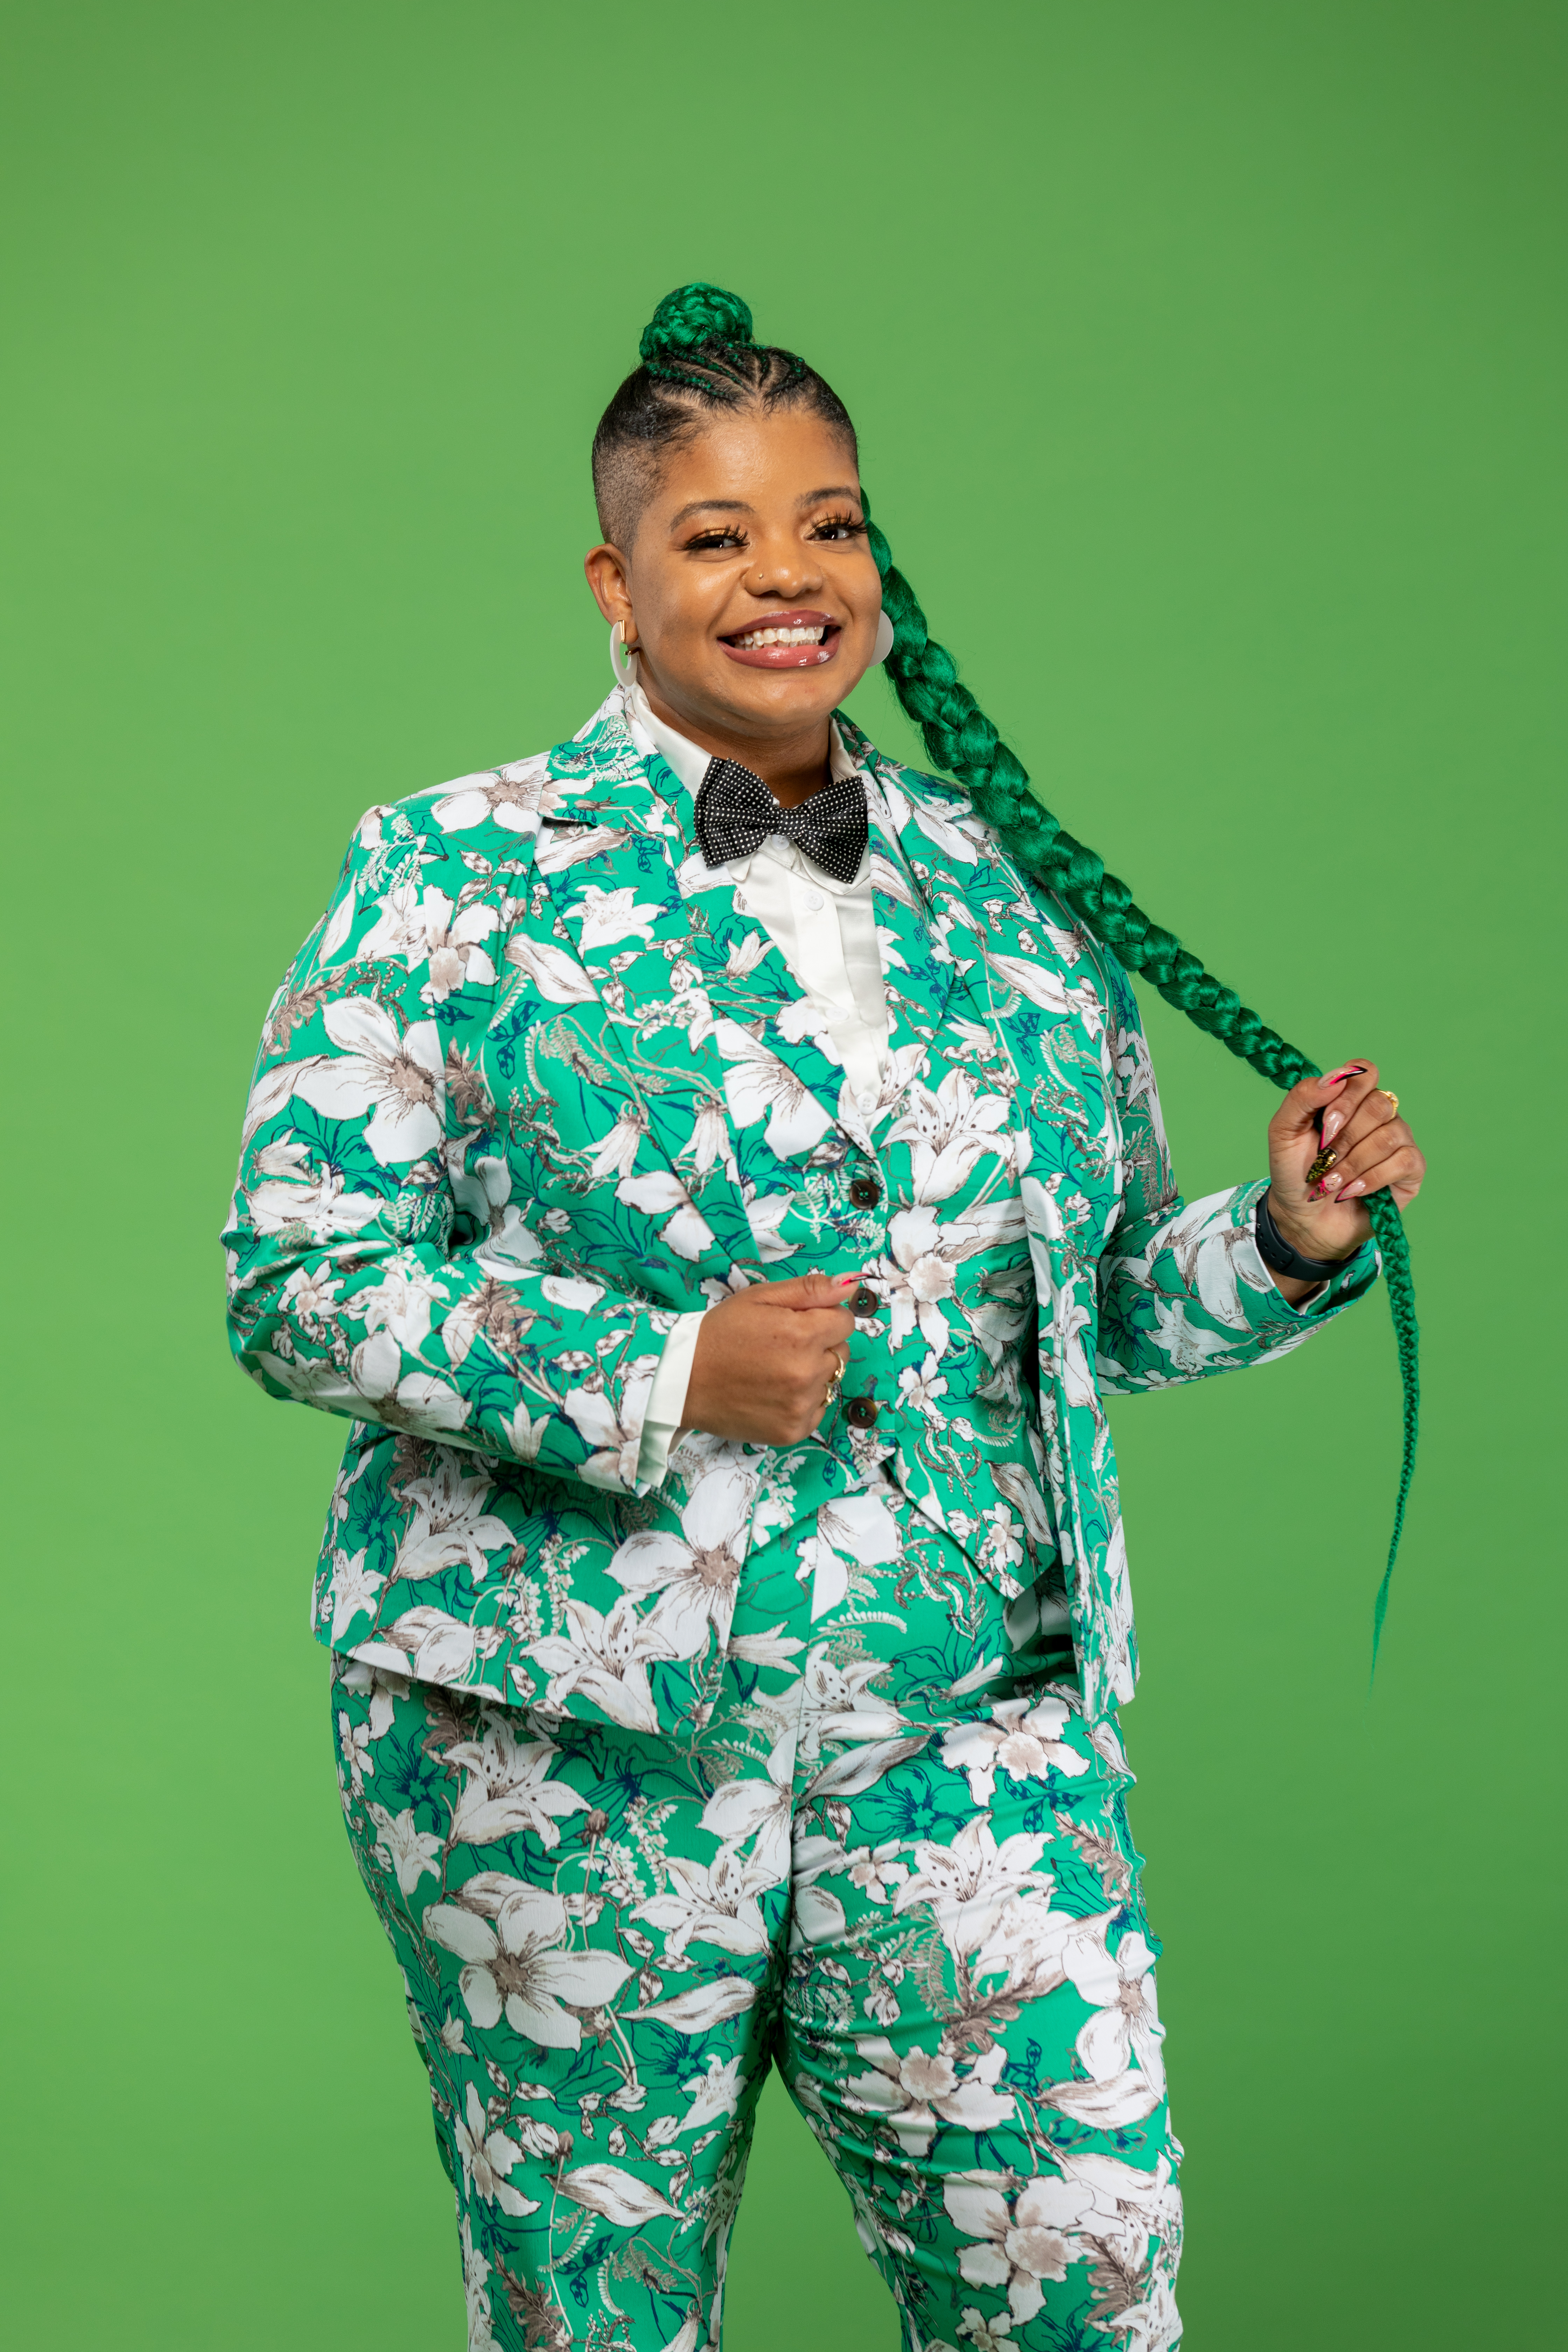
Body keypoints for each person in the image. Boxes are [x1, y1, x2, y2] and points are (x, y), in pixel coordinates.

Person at [224, 284, 1426, 2352]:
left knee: (1088, 2275)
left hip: (968, 1743)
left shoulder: (1020, 889)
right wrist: (669, 1369)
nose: (786, 577)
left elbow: (1104, 1303)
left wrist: (1288, 1238)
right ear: (617, 583)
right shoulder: (445, 872)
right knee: (598, 2317)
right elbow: (296, 1279)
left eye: (833, 525)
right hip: (564, 1757)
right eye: (716, 537)